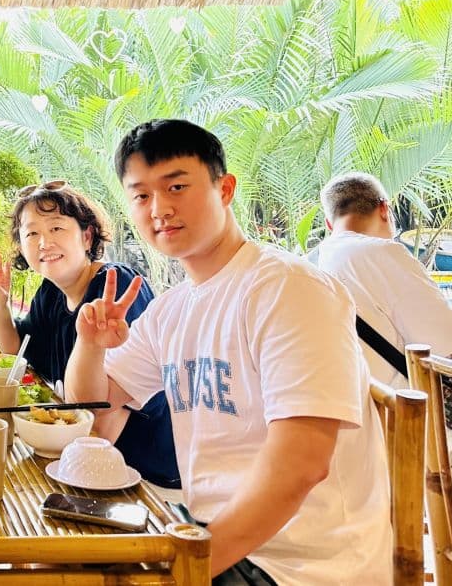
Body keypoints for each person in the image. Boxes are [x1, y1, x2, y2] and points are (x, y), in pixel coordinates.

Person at [64, 119, 391, 585]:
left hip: (300, 565)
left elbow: (302, 465)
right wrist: (90, 346)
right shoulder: (171, 310)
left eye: (176, 185)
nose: (159, 208)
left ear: (225, 189)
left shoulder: (289, 289)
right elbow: (97, 413)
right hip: (212, 536)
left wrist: (185, 570)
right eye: (141, 195)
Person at [0, 180, 179, 488]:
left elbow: (108, 411)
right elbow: (16, 353)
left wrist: (68, 474)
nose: (44, 242)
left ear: (87, 236)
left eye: (56, 229)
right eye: (32, 233)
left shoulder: (115, 286)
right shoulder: (50, 293)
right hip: (89, 459)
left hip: (143, 476)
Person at [316, 171, 452, 501]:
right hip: (431, 451)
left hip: (367, 450)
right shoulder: (380, 253)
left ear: (329, 221)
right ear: (385, 210)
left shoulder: (314, 265)